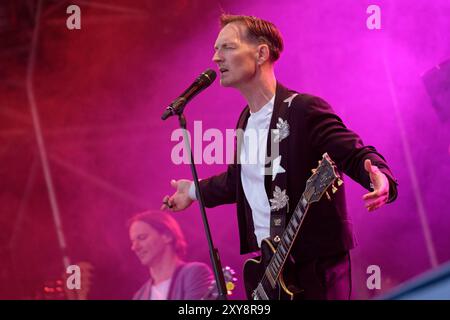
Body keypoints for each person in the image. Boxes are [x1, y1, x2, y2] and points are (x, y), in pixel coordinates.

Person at [162, 14, 398, 300]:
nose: (215, 58)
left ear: (261, 53)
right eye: (215, 49)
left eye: (227, 47)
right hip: (270, 269)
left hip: (314, 265)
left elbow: (352, 151)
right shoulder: (245, 121)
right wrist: (193, 190)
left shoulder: (302, 109)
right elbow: (239, 181)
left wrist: (378, 174)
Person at [128, 211, 214, 300]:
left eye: (142, 237)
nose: (134, 247)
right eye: (133, 242)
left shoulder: (194, 273)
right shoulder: (139, 296)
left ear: (167, 236)